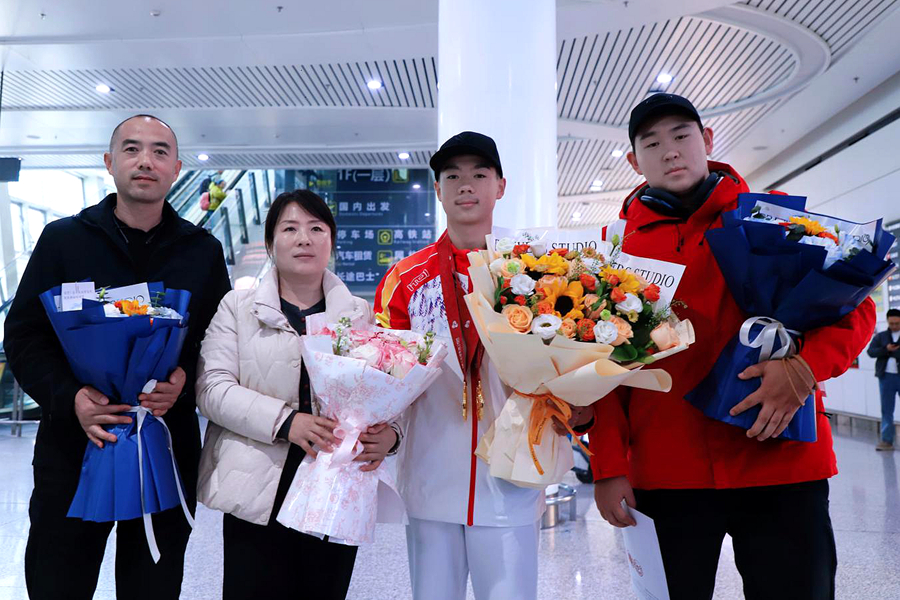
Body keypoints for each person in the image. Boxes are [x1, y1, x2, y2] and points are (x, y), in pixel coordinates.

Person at [589, 94, 876, 600]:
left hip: (781, 458)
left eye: (682, 135)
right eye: (652, 143)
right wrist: (608, 467)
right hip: (668, 470)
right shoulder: (614, 250)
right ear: (634, 161)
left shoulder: (771, 217)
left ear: (707, 140)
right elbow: (601, 367)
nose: (670, 151)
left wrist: (805, 367)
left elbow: (855, 306)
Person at [4, 114, 232, 599]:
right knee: (57, 582)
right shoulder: (64, 241)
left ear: (176, 169)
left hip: (162, 445)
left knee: (153, 584)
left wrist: (183, 381)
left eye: (159, 151)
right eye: (131, 149)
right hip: (73, 447)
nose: (145, 160)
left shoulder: (202, 251)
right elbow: (23, 335)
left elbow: (219, 342)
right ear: (109, 162)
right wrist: (71, 397)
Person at [375, 131, 591, 600]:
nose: (466, 185)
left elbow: (572, 357)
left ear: (500, 186)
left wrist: (578, 405)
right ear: (438, 189)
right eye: (452, 176)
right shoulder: (405, 279)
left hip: (512, 473)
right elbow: (384, 377)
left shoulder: (535, 271)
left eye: (479, 174)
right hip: (430, 473)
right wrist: (385, 432)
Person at [194, 189, 397, 600]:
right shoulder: (237, 308)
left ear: (331, 241)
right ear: (271, 243)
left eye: (316, 228)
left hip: (335, 486)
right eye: (290, 228)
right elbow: (212, 388)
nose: (304, 238)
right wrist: (287, 421)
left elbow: (388, 388)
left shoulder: (359, 314)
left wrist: (391, 436)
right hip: (256, 487)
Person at [867, 308, 900, 450]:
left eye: (897, 323)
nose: (894, 326)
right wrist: (886, 349)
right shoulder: (881, 337)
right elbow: (871, 351)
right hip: (886, 377)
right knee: (886, 410)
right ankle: (887, 441)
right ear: (887, 321)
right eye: (892, 323)